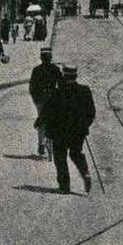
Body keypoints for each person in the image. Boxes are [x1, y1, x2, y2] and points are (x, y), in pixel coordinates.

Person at [42, 65, 96, 194]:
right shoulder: (84, 90)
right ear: (75, 76)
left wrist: (47, 130)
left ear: (64, 75)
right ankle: (86, 173)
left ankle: (64, 186)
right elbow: (91, 112)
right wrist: (84, 126)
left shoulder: (56, 92)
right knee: (76, 153)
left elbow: (48, 113)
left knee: (60, 157)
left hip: (59, 132)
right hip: (78, 132)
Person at [30, 47, 61, 158]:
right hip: (53, 99)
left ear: (41, 58)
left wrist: (36, 100)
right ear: (50, 58)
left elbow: (32, 87)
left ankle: (41, 145)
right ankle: (51, 141)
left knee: (41, 121)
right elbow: (61, 84)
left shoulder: (36, 70)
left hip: (41, 99)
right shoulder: (55, 69)